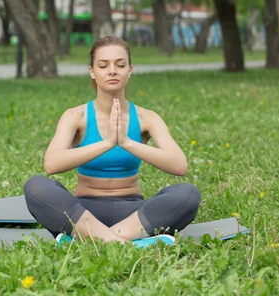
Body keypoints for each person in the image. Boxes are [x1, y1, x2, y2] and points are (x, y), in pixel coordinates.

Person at [23, 36, 200, 247]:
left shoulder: (147, 118)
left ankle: (87, 240)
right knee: (36, 187)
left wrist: (127, 142)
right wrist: (106, 143)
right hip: (83, 211)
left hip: (133, 214)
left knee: (188, 194)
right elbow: (51, 164)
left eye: (120, 64)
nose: (112, 71)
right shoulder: (75, 116)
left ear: (130, 70)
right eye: (103, 65)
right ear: (92, 71)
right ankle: (126, 244)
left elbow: (180, 165)